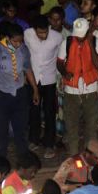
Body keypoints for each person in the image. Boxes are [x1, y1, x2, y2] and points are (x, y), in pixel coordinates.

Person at [0, 23, 40, 158]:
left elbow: (27, 69)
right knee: (0, 130)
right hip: (1, 94)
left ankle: (23, 158)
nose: (18, 44)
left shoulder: (24, 49)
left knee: (21, 128)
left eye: (21, 41)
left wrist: (35, 89)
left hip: (19, 92)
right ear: (7, 38)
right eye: (15, 41)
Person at [58, 18, 98, 154]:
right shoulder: (66, 42)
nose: (78, 38)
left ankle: (90, 155)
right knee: (72, 126)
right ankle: (73, 155)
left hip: (90, 89)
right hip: (71, 90)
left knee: (91, 126)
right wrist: (64, 72)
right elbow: (59, 62)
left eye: (82, 35)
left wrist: (89, 44)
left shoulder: (96, 42)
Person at [25, 15, 63, 160]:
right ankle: (33, 139)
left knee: (49, 112)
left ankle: (49, 143)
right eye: (39, 33)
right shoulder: (27, 34)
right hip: (33, 79)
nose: (43, 35)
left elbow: (60, 58)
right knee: (33, 110)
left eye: (45, 32)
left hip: (49, 79)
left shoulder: (57, 37)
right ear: (34, 30)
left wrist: (60, 78)